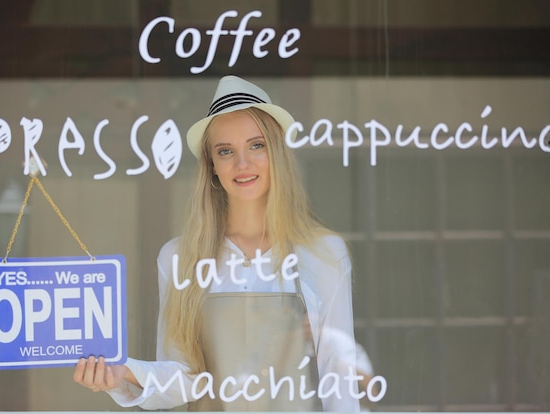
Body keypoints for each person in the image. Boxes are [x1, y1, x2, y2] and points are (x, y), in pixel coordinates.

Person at [73, 75, 359, 412]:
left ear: (278, 154)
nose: (242, 163)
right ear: (212, 167)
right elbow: (186, 379)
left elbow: (338, 380)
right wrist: (124, 374)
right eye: (226, 151)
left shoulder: (324, 253)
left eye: (257, 145)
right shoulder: (179, 257)